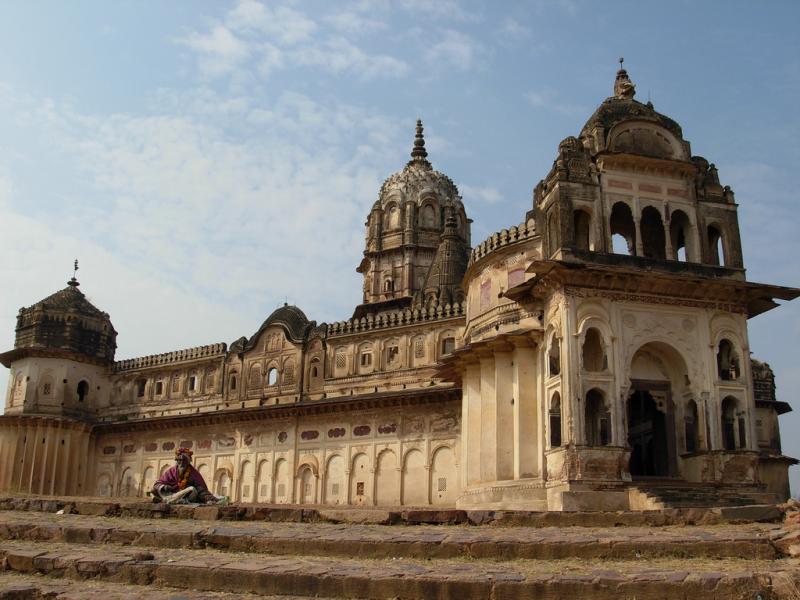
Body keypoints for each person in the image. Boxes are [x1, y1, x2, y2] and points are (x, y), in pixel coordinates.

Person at [152, 447, 224, 504]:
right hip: (171, 494)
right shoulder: (171, 471)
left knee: (191, 489)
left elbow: (200, 488)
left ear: (188, 461)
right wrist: (164, 487)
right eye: (179, 460)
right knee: (154, 490)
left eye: (183, 460)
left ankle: (165, 500)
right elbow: (158, 483)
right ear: (176, 461)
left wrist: (207, 497)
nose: (181, 463)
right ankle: (168, 500)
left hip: (185, 496)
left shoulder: (193, 473)